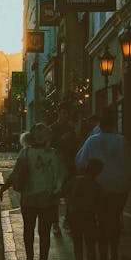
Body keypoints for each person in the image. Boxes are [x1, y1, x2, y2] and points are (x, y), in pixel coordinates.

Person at [75, 109, 131, 260]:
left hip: (99, 187)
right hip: (120, 186)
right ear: (113, 125)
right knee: (114, 219)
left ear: (100, 126)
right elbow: (130, 164)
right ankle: (114, 252)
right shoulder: (121, 140)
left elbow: (80, 161)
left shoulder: (92, 141)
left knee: (102, 221)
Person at [0, 123, 66, 260]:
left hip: (29, 199)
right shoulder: (54, 154)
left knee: (29, 232)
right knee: (44, 234)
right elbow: (61, 178)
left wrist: (3, 188)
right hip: (47, 200)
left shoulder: (26, 153)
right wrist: (57, 194)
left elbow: (15, 174)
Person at [64, 158, 104, 260]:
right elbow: (99, 207)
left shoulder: (74, 181)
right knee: (90, 245)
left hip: (74, 216)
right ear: (98, 172)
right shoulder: (97, 186)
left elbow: (62, 193)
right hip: (89, 217)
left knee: (77, 243)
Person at [50, 101, 77, 235]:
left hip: (69, 165)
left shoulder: (71, 129)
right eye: (64, 113)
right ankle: (55, 224)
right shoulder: (52, 128)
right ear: (59, 112)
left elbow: (75, 147)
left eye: (68, 113)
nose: (66, 116)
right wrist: (62, 139)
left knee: (70, 196)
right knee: (56, 195)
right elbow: (50, 147)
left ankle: (68, 220)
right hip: (56, 167)